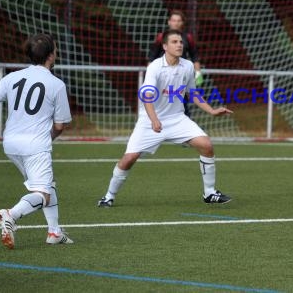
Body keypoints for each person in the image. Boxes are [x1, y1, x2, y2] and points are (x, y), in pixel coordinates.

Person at [98, 29, 232, 208]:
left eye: (181, 42)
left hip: (177, 118)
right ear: (165, 46)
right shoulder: (154, 66)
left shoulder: (188, 66)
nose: (179, 45)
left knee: (206, 145)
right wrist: (154, 120)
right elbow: (147, 97)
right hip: (149, 120)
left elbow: (192, 93)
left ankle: (209, 193)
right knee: (129, 159)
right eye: (175, 42)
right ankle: (108, 196)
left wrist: (212, 111)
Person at [0, 34, 73, 249]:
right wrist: (49, 138)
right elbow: (60, 126)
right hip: (35, 145)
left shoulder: (12, 78)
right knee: (42, 194)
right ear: (51, 56)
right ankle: (11, 214)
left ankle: (54, 232)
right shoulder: (56, 84)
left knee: (48, 183)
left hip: (10, 144)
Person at [148, 9, 203, 117]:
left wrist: (198, 73)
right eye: (173, 20)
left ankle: (184, 127)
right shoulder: (161, 37)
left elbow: (194, 56)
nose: (176, 23)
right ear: (169, 22)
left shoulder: (188, 38)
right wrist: (150, 76)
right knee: (159, 105)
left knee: (182, 106)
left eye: (178, 20)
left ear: (182, 23)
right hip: (163, 77)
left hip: (180, 77)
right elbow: (151, 58)